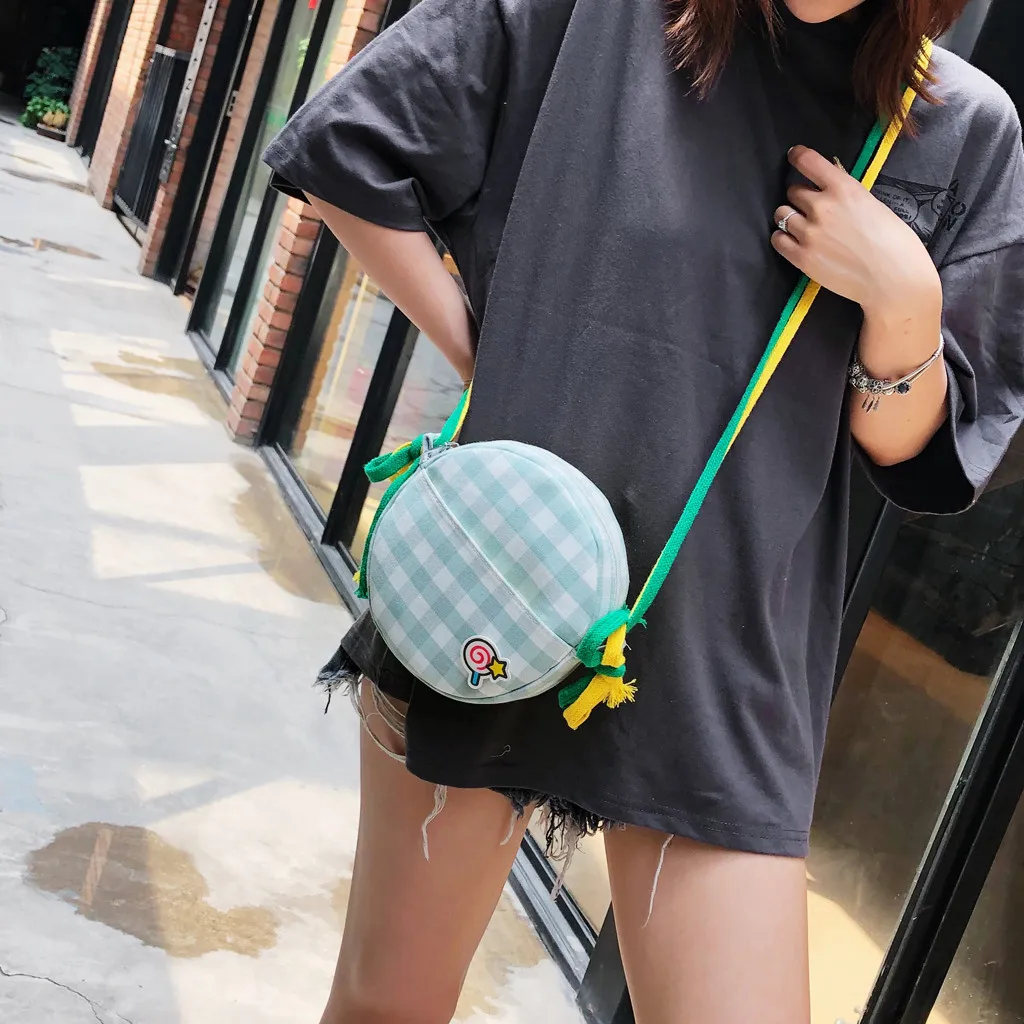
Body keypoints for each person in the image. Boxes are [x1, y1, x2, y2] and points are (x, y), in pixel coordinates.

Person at [263, 0, 1024, 1019]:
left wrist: (904, 302)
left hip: (726, 649)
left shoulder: (959, 122)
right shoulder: (588, 18)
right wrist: (491, 359)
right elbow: (348, 152)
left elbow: (916, 454)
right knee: (385, 1006)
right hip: (504, 584)